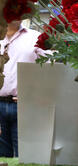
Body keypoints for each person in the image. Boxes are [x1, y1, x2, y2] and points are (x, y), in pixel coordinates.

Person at [0, 20, 45, 157]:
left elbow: (52, 68)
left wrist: (35, 95)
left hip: (26, 106)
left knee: (27, 158)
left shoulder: (36, 37)